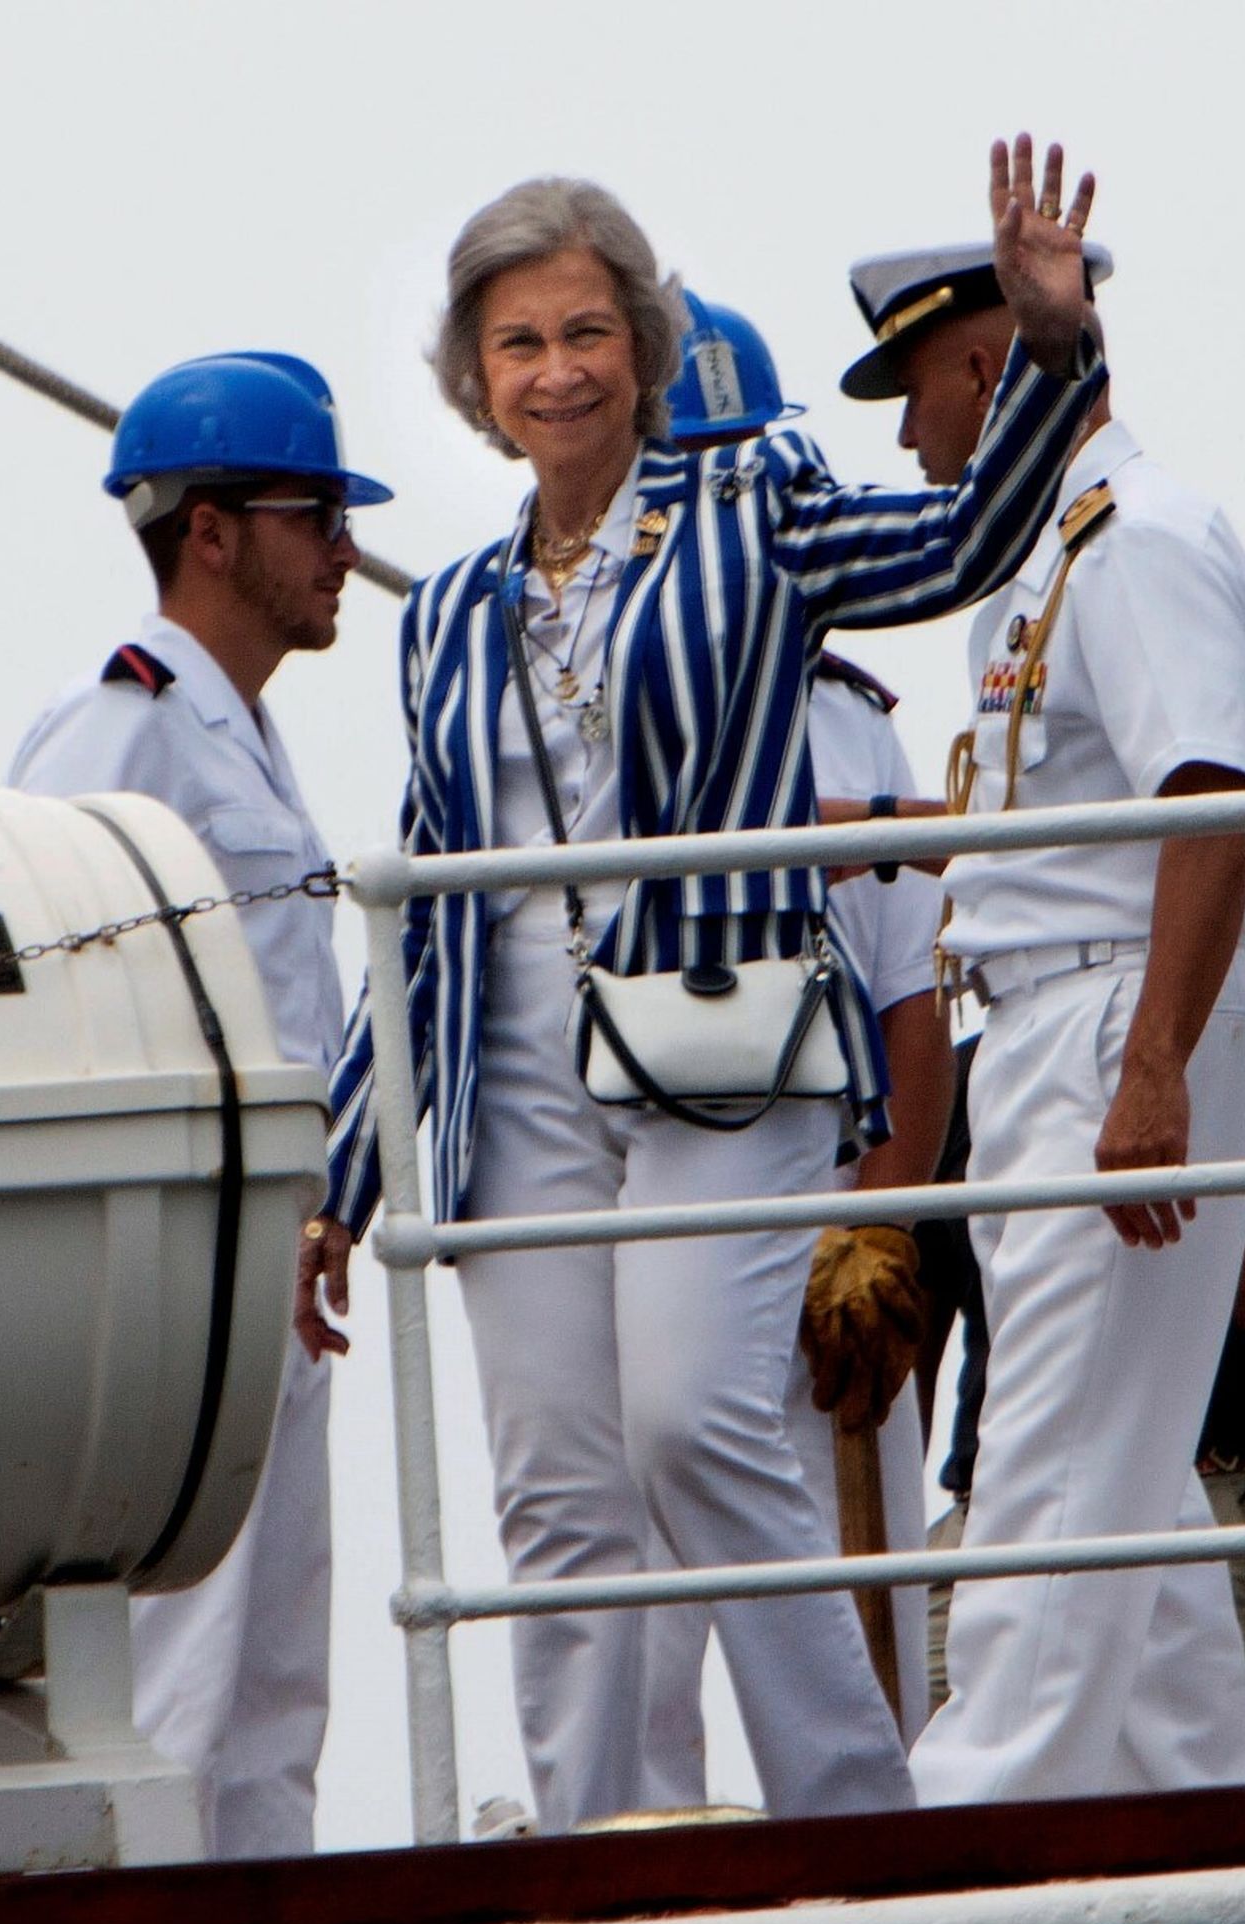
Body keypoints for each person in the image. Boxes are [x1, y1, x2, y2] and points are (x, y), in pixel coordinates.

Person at [302, 140, 1107, 1832]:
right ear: (477, 377)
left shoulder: (754, 516)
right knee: (562, 1498)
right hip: (515, 1072)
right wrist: (345, 1171)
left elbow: (965, 541)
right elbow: (419, 902)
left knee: (695, 1424)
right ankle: (603, 1847)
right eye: (521, 343)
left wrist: (1048, 348)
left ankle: (855, 1816)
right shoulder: (445, 616)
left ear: (645, 348)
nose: (558, 371)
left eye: (588, 331)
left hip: (717, 1039)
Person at [839, 232, 1245, 1803]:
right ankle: (1211, 1831)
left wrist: (1152, 1065)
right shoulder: (1045, 563)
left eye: (915, 394)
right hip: (1059, 1022)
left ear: (987, 370)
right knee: (1127, 1483)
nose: (912, 440)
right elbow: (1055, 829)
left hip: (1116, 1018)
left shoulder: (1137, 540)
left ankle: (969, 1845)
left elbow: (1213, 797)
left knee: (1045, 1469)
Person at [9, 350, 392, 1858]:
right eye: (318, 517)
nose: (345, 551)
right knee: (188, 1664)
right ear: (214, 533)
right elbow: (43, 975)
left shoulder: (235, 726)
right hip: (182, 1263)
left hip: (269, 1254)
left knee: (278, 1672)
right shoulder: (127, 718)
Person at [637, 298, 949, 1794]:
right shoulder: (576, 691)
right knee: (641, 1620)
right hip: (647, 1207)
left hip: (821, 1217)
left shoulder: (849, 716)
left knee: (853, 1605)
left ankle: (874, 1868)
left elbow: (910, 1003)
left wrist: (880, 1228)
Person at [918, 1019, 1245, 1772]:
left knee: (1190, 1830)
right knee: (922, 1816)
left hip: (1209, 1503)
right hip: (991, 1517)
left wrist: (1141, 1167)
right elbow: (898, 1353)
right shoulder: (967, 1080)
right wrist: (870, 1563)